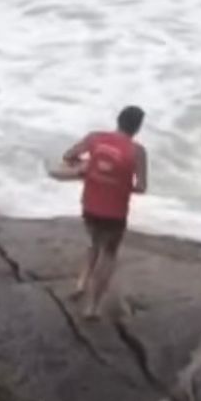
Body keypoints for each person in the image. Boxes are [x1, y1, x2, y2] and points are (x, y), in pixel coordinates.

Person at [62, 105, 147, 321]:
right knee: (108, 254)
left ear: (118, 120)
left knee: (94, 243)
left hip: (90, 206)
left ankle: (81, 284)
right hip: (115, 212)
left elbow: (68, 157)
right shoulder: (137, 151)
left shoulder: (94, 138)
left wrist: (88, 170)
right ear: (137, 127)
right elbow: (142, 187)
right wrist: (120, 184)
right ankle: (92, 307)